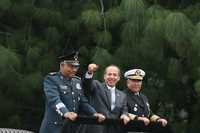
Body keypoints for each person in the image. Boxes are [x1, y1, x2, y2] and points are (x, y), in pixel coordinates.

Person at [39, 51, 105, 133]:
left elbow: (83, 102)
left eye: (76, 67)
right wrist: (65, 112)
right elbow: (54, 100)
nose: (74, 70)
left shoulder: (77, 81)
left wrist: (94, 114)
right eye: (71, 66)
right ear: (62, 65)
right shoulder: (52, 79)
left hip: (71, 127)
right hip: (54, 128)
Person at [79, 64, 130, 133]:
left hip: (114, 130)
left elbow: (124, 109)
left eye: (115, 75)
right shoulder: (96, 86)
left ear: (118, 78)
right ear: (104, 76)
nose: (112, 77)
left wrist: (124, 115)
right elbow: (86, 84)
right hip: (96, 129)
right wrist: (90, 72)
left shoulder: (122, 95)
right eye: (109, 74)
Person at [123, 69, 174, 133]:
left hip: (144, 127)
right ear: (128, 82)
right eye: (134, 81)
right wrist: (138, 118)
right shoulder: (122, 96)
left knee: (164, 126)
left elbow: (149, 113)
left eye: (139, 81)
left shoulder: (143, 97)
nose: (136, 83)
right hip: (131, 128)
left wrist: (158, 119)